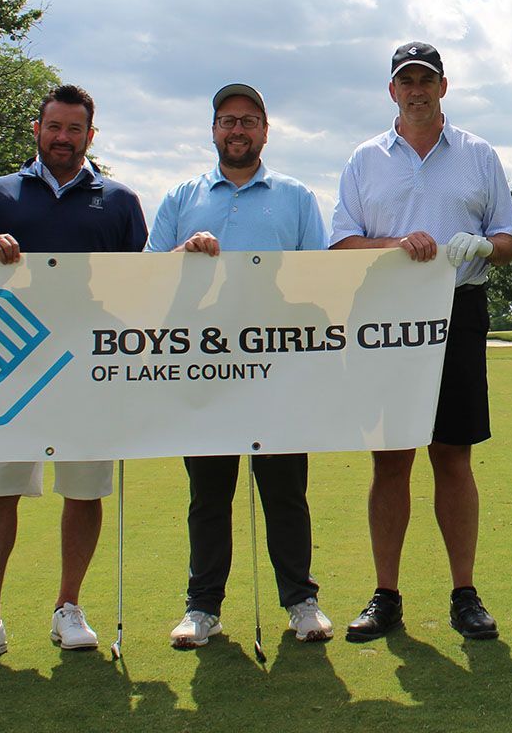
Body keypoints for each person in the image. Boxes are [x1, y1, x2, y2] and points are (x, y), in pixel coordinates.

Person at [0, 84, 147, 666]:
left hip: (88, 367)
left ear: (90, 136)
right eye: (54, 126)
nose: (63, 138)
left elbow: (138, 285)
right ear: (37, 129)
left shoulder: (119, 200)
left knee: (83, 490)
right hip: (11, 365)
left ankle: (68, 608)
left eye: (75, 129)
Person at [330, 42, 512, 641]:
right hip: (386, 319)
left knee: (453, 454)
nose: (416, 90)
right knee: (390, 458)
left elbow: (508, 238)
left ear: (443, 86)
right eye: (406, 81)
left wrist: (484, 246)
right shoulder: (365, 158)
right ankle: (386, 595)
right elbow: (342, 244)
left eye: (426, 80)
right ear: (392, 91)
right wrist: (394, 245)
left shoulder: (477, 154)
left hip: (458, 311)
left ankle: (465, 593)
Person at [146, 83, 333, 648]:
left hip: (277, 368)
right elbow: (148, 277)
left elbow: (319, 281)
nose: (237, 130)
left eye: (249, 121)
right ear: (213, 130)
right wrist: (182, 255)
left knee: (285, 492)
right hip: (204, 369)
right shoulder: (182, 197)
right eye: (227, 120)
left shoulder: (295, 196)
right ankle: (202, 607)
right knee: (208, 496)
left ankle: (301, 600)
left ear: (265, 132)